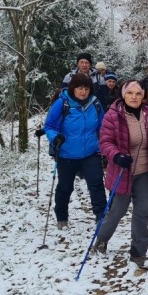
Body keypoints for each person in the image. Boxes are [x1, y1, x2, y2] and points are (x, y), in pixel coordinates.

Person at [96, 80, 148, 268]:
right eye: (130, 93)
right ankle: (101, 239)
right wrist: (116, 156)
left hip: (144, 173)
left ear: (143, 96)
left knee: (142, 212)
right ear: (123, 95)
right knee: (117, 211)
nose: (134, 97)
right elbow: (105, 142)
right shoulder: (113, 115)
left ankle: (138, 252)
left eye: (138, 94)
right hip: (122, 171)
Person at [43, 73, 107, 228]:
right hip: (67, 153)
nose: (83, 91)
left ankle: (101, 216)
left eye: (86, 88)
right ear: (72, 88)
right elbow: (49, 125)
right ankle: (62, 217)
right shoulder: (62, 103)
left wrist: (106, 146)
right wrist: (55, 137)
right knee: (65, 187)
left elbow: (103, 127)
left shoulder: (95, 103)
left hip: (90, 152)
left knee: (96, 183)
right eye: (79, 87)